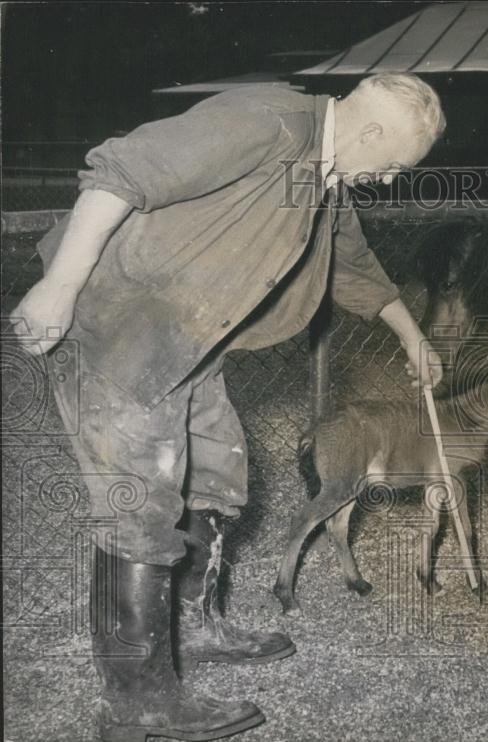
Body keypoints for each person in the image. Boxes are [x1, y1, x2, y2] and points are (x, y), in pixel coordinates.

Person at [12, 72, 445, 741]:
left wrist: (412, 337)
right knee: (140, 508)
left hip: (192, 342)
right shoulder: (266, 122)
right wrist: (58, 288)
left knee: (220, 477)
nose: (388, 181)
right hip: (125, 329)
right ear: (371, 133)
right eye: (392, 166)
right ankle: (136, 701)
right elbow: (120, 170)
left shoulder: (324, 173)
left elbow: (354, 267)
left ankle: (195, 627)